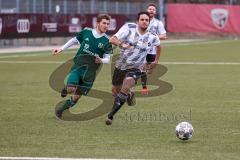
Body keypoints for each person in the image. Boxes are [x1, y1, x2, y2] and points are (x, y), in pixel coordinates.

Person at [105, 12, 161, 125]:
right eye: (142, 19)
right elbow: (112, 39)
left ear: (149, 23)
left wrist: (155, 61)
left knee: (125, 87)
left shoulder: (152, 36)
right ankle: (129, 95)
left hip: (137, 67)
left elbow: (159, 46)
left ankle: (110, 115)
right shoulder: (128, 28)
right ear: (137, 21)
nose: (144, 21)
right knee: (116, 90)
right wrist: (121, 44)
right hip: (121, 65)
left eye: (147, 20)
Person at [52, 14, 112, 119]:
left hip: (90, 73)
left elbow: (108, 59)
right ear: (97, 23)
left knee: (76, 98)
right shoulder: (87, 32)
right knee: (71, 88)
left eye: (108, 24)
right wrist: (61, 48)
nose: (106, 25)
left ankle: (60, 110)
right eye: (104, 23)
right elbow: (74, 40)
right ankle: (67, 89)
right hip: (78, 67)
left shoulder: (107, 41)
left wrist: (101, 60)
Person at [140, 3, 167, 95]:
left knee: (149, 70)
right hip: (142, 50)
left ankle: (145, 74)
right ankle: (144, 87)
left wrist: (153, 37)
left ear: (155, 12)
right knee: (142, 68)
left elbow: (164, 36)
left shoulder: (158, 23)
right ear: (147, 10)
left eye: (153, 9)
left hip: (153, 51)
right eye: (150, 9)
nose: (151, 10)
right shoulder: (141, 21)